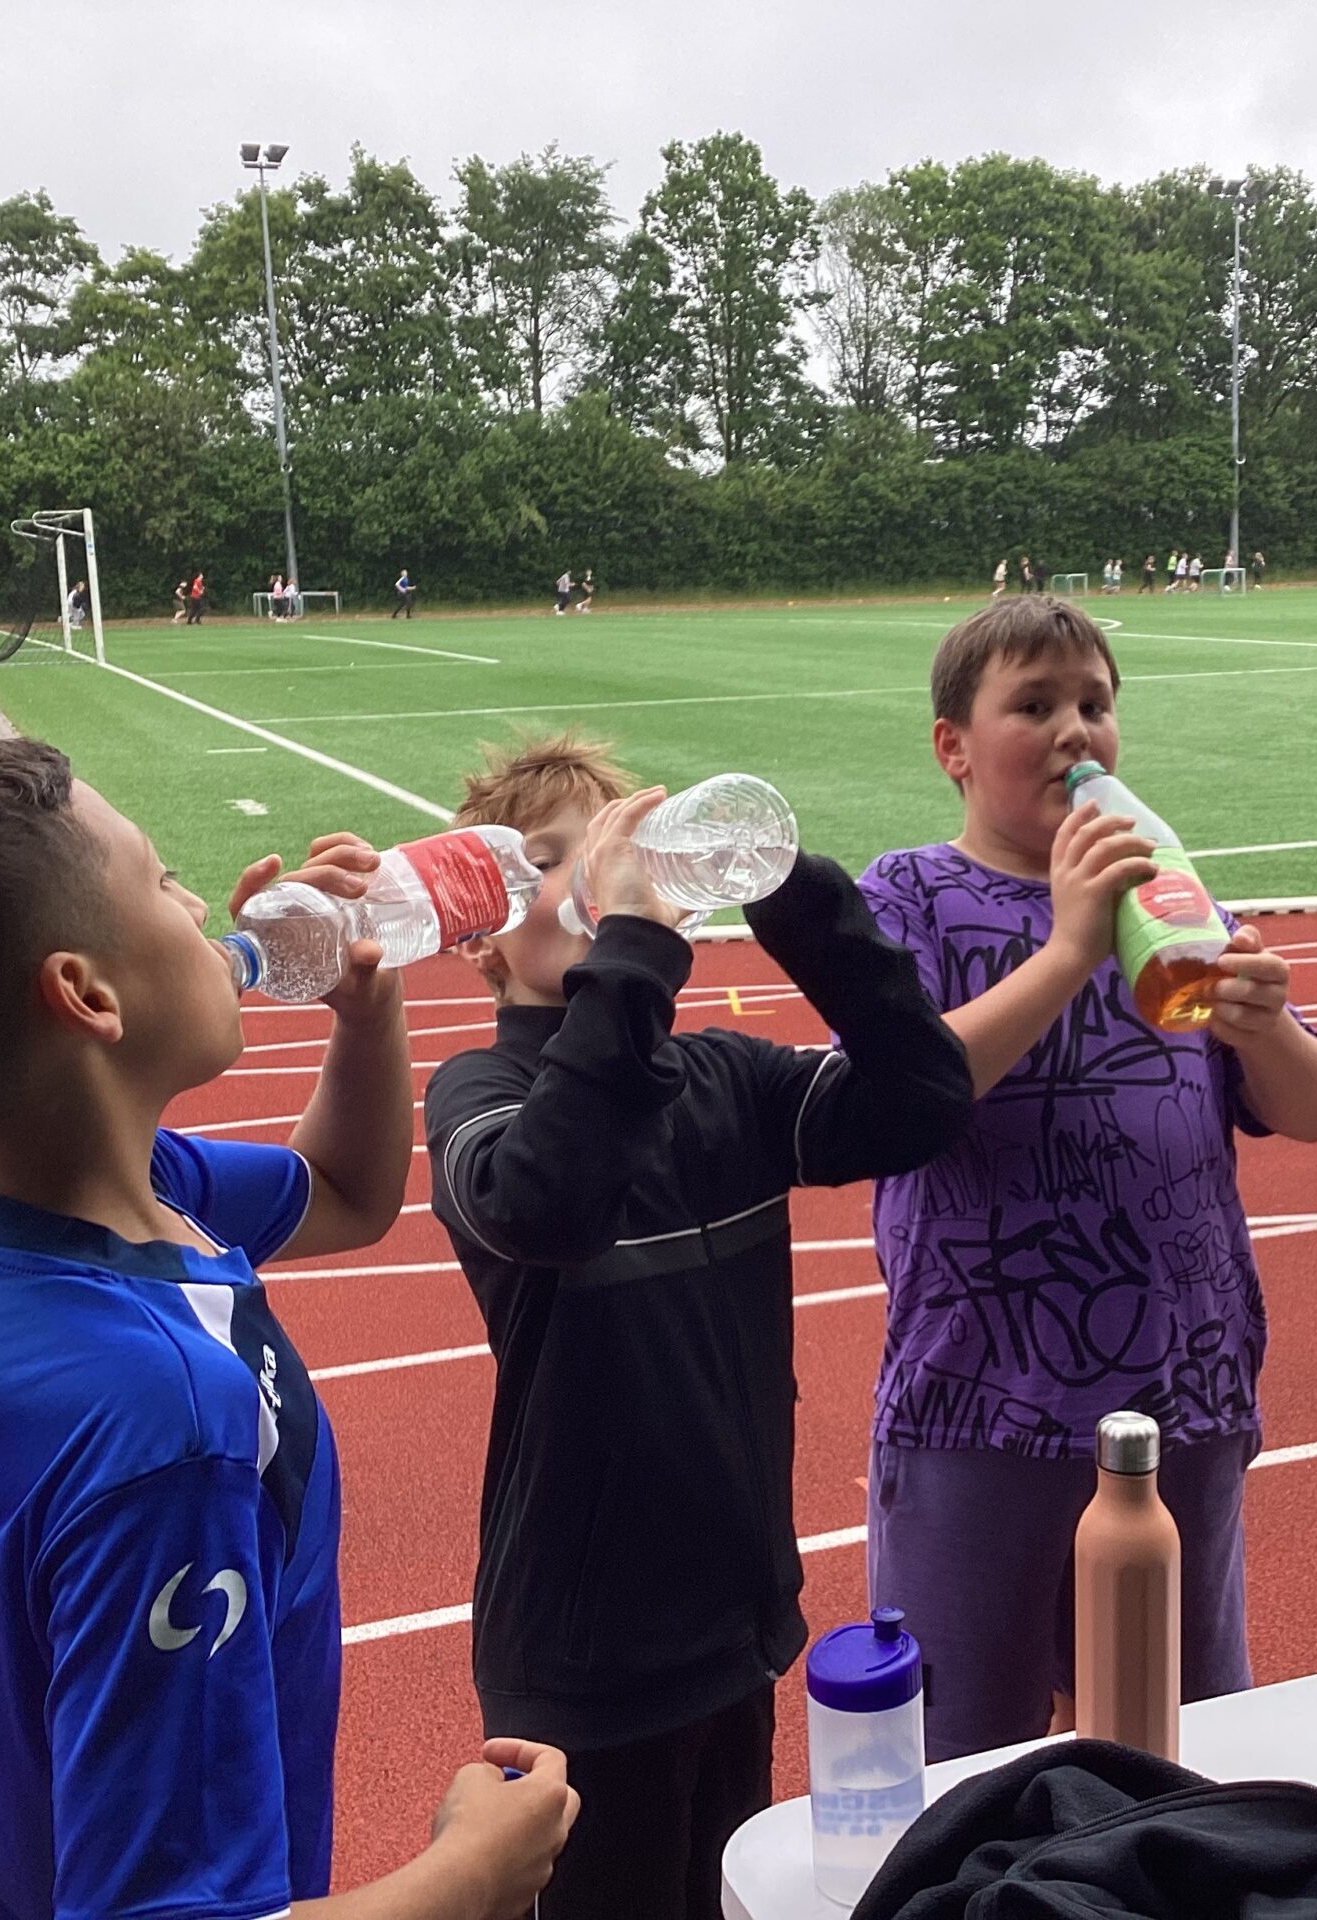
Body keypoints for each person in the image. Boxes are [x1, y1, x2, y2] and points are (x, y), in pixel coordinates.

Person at [0, 739, 577, 1920]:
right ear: (89, 995)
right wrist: (470, 1875)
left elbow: (347, 1194)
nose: (202, 908)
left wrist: (364, 999)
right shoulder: (169, 1427)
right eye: (163, 879)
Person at [421, 734, 972, 1919]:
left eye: (615, 847)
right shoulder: (478, 1097)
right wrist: (632, 951)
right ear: (481, 938)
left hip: (732, 1631)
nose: (595, 875)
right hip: (583, 1664)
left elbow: (921, 1100)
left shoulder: (726, 1080)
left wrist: (787, 894)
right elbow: (550, 1198)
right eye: (553, 861)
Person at [856, 595, 1317, 1763]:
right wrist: (1070, 944)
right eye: (1033, 705)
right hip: (980, 1400)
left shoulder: (1170, 896)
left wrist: (1265, 1027)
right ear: (952, 746)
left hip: (1183, 1390)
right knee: (964, 1749)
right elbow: (893, 1102)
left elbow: (1310, 1108)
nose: (1074, 731)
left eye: (1094, 704)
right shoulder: (908, 896)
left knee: (1173, 1733)